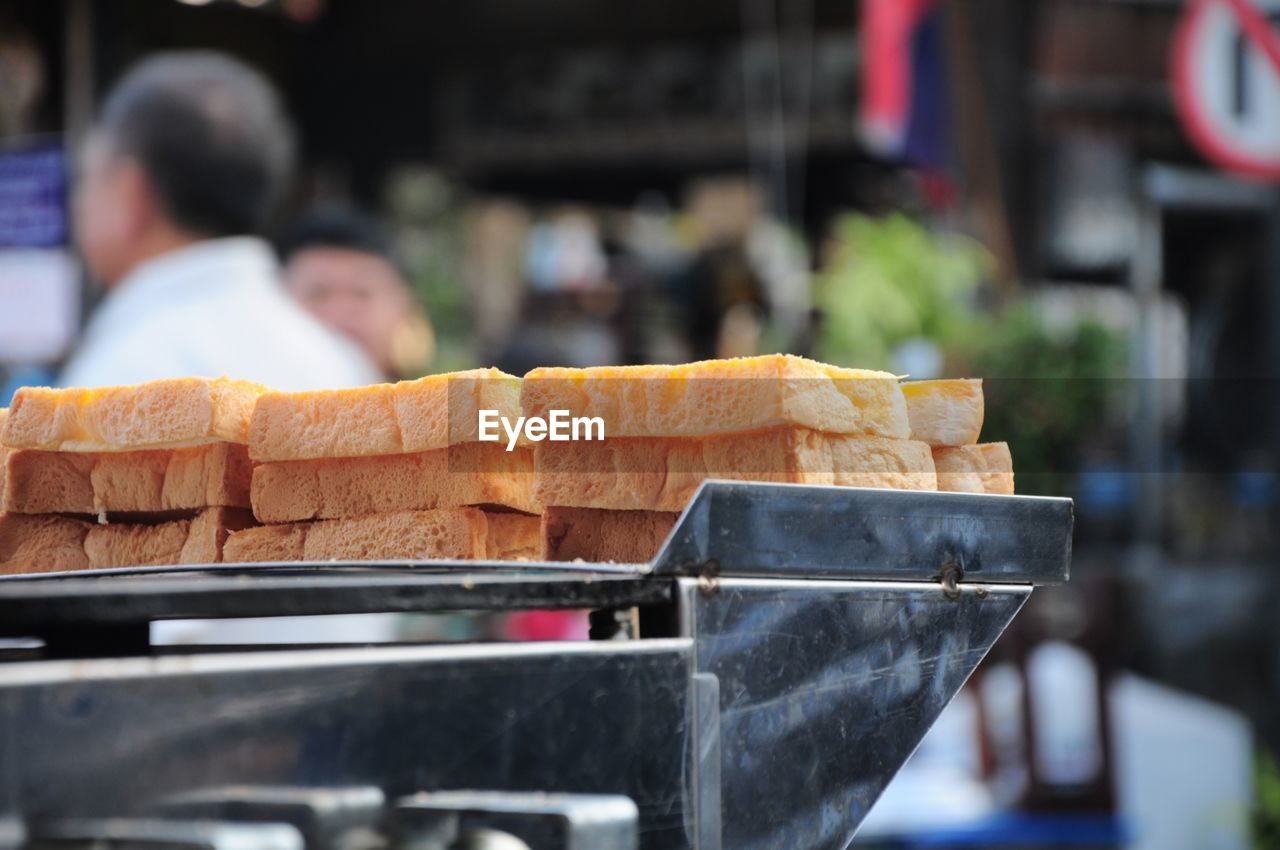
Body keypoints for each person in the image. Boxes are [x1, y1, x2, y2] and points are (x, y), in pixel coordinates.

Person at [61, 51, 381, 389]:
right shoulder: (340, 363)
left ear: (130, 193)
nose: (79, 205)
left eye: (88, 179)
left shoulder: (119, 375)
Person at [279, 208, 434, 381]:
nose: (340, 311)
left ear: (403, 307)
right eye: (318, 294)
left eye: (361, 293)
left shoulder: (450, 404)